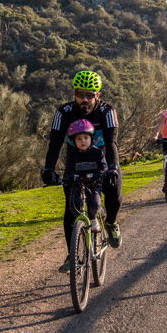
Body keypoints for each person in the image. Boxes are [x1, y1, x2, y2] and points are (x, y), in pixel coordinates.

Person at [41, 71, 124, 271]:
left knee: (113, 193)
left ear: (97, 95)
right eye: (80, 95)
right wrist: (49, 169)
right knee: (72, 206)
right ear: (74, 94)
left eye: (89, 95)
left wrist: (112, 168)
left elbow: (111, 142)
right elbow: (55, 144)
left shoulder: (107, 111)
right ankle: (72, 255)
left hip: (102, 159)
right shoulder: (64, 113)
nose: (84, 99)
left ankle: (111, 223)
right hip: (75, 163)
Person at [57, 119, 109, 273]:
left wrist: (101, 174)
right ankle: (79, 228)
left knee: (94, 203)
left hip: (94, 186)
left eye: (85, 138)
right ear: (74, 141)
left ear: (91, 138)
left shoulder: (97, 152)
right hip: (78, 187)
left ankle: (93, 220)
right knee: (73, 205)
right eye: (78, 139)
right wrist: (70, 177)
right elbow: (69, 170)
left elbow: (103, 166)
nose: (82, 141)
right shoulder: (72, 156)